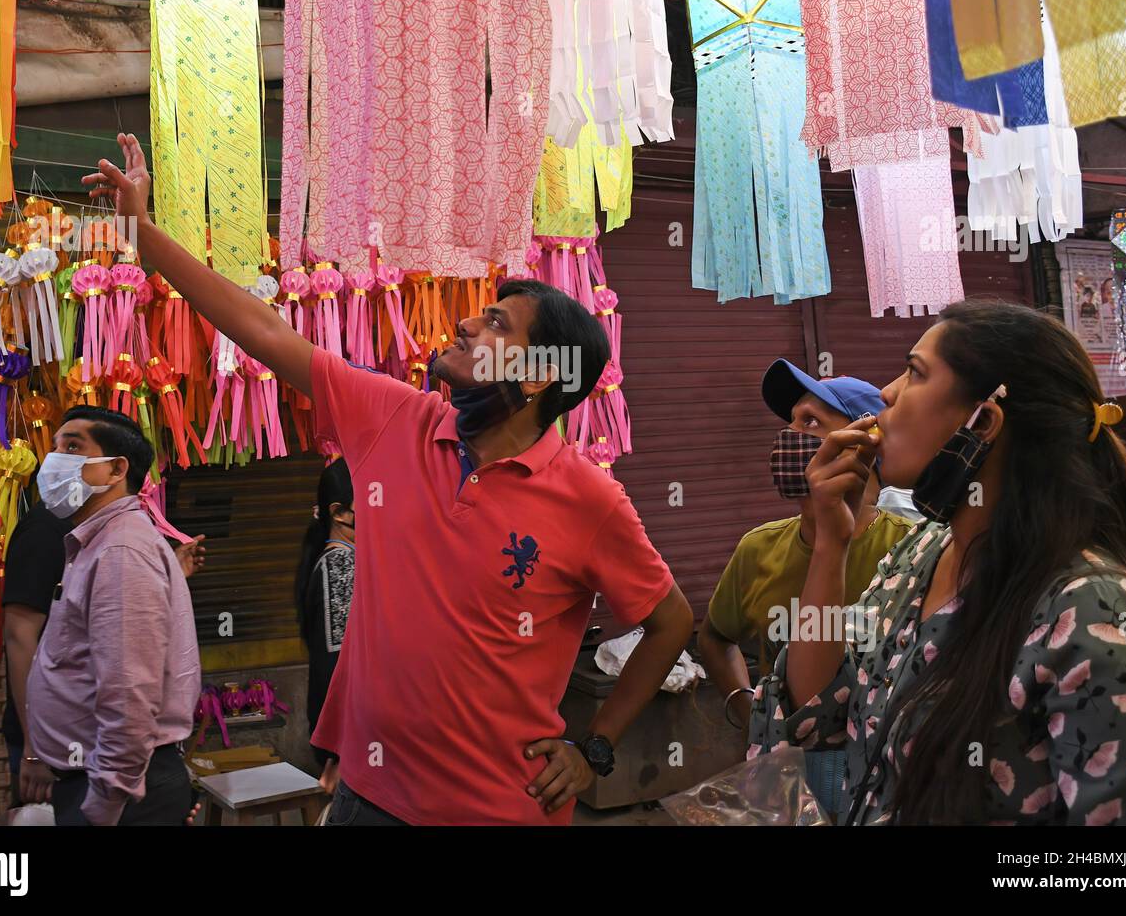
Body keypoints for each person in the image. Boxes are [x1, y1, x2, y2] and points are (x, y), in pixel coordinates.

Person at [87, 133, 694, 826]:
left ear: (535, 375)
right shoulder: (397, 419)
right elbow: (264, 329)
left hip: (495, 812)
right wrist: (145, 233)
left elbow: (671, 619)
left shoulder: (590, 499)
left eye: (495, 324)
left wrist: (595, 747)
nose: (465, 323)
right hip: (365, 800)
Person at [749, 299, 1126, 824]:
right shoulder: (918, 555)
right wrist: (830, 546)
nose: (885, 394)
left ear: (983, 421)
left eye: (914, 372)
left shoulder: (1098, 617)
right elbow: (817, 715)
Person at [697, 362, 914, 728]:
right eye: (791, 422)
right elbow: (715, 638)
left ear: (865, 440)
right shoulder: (757, 549)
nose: (789, 434)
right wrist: (745, 706)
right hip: (787, 772)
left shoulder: (911, 548)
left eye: (810, 422)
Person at [26, 406, 201, 826]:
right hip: (105, 784)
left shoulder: (120, 551)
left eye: (72, 447)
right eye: (55, 448)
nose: (54, 462)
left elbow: (129, 693)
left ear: (116, 469)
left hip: (114, 794)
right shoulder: (101, 544)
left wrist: (106, 804)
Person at [2, 502, 205, 808]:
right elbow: (19, 636)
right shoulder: (45, 531)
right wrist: (35, 749)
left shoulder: (119, 533)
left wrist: (171, 572)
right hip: (57, 747)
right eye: (65, 449)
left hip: (107, 743)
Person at [293, 457, 355, 795]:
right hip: (349, 741)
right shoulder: (340, 564)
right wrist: (339, 749)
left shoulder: (346, 558)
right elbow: (337, 666)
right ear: (339, 512)